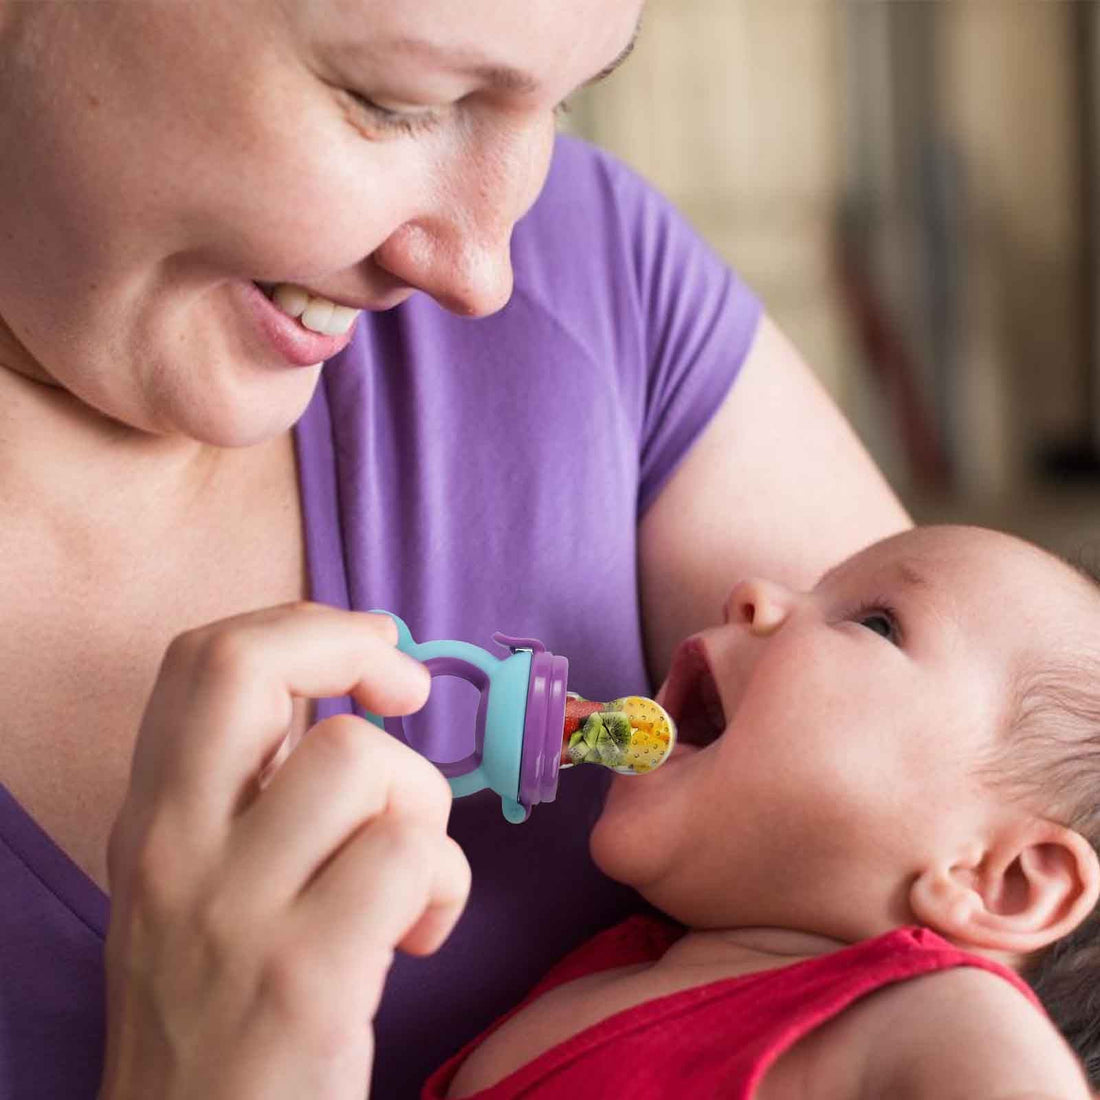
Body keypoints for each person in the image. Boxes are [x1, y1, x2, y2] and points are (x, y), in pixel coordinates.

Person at [0, 1, 910, 1097]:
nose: (482, 275)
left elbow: (988, 824)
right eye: (398, 102)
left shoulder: (602, 278)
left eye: (562, 101)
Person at [422, 524, 1100, 1099]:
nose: (750, 592)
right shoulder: (604, 971)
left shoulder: (938, 1020)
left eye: (877, 623)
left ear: (1002, 879)